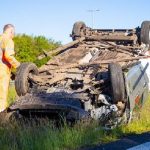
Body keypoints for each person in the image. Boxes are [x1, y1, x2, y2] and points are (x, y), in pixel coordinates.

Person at [0, 24, 20, 112]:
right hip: (2, 70)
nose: (14, 35)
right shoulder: (8, 40)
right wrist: (19, 66)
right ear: (11, 31)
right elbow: (8, 55)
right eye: (13, 32)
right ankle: (1, 115)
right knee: (2, 95)